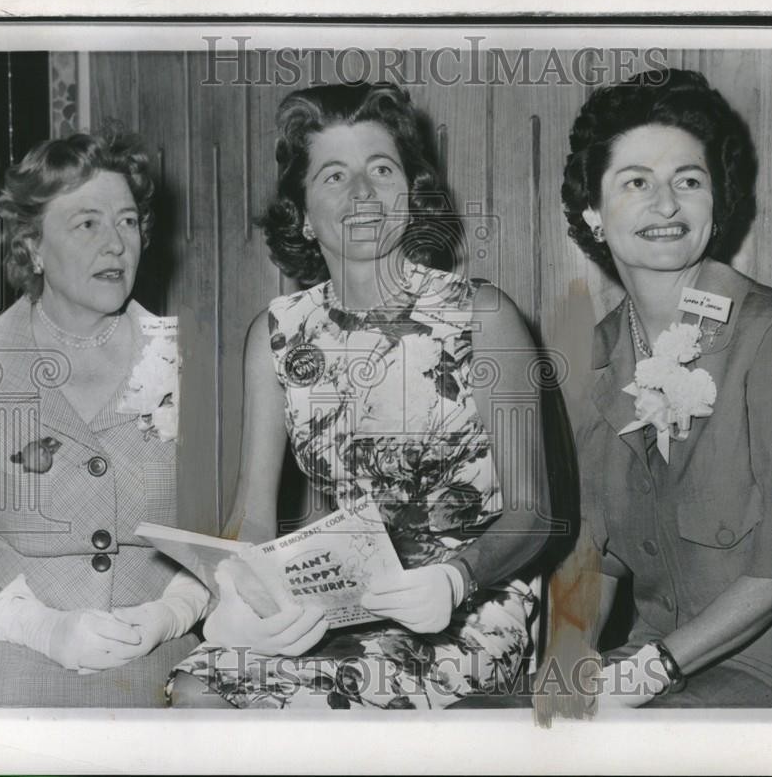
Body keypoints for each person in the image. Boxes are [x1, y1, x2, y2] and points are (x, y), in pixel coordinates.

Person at [169, 82, 551, 709]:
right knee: (198, 688)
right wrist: (244, 595)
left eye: (381, 169)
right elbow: (254, 516)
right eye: (334, 176)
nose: (363, 194)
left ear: (411, 192)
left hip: (470, 602)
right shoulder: (276, 335)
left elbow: (535, 513)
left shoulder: (483, 315)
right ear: (300, 213)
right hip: (340, 597)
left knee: (332, 703)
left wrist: (456, 579)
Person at [547, 68, 772, 709]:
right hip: (649, 660)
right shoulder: (588, 360)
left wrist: (656, 669)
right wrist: (564, 667)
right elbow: (592, 557)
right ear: (593, 211)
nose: (667, 205)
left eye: (689, 181)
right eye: (636, 183)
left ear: (716, 202)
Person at [0, 130, 209, 707]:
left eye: (127, 222)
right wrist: (37, 628)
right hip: (7, 664)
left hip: (164, 669)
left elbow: (227, 532)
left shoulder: (189, 361)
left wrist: (174, 611)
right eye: (87, 224)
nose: (116, 245)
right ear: (32, 247)